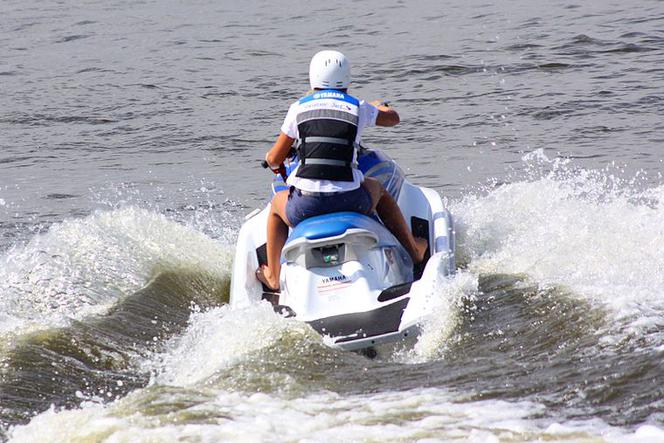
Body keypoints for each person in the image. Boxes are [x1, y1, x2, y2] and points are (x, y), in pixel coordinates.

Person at [256, 50, 427, 291]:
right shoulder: (357, 107)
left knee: (276, 205)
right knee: (378, 189)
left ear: (312, 79)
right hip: (350, 201)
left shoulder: (298, 108)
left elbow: (275, 158)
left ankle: (273, 276)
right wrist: (380, 107)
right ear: (346, 78)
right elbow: (393, 119)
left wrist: (271, 161)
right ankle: (414, 251)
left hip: (306, 207)